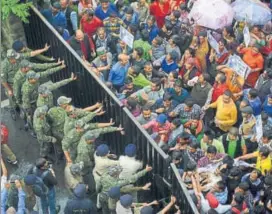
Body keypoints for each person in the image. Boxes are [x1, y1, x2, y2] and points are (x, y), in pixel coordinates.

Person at [1, 49, 22, 118]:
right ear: (10, 58)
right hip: (10, 84)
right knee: (12, 98)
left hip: (19, 81)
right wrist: (9, 90)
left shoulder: (17, 59)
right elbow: (3, 81)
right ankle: (12, 109)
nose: (16, 59)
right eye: (14, 58)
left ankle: (21, 107)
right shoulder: (4, 66)